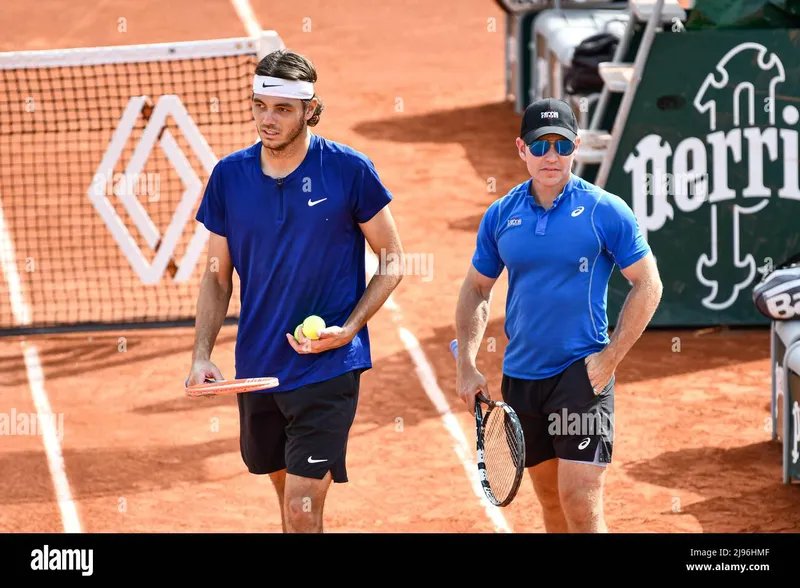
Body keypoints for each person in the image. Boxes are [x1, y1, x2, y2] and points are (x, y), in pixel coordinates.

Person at [187, 49, 404, 533]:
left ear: (309, 109)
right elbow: (217, 275)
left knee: (302, 508)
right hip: (259, 369)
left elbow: (392, 259)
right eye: (260, 105)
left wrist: (348, 330)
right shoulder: (229, 177)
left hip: (327, 366)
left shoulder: (349, 170)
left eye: (282, 109)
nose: (267, 118)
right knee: (288, 501)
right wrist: (201, 355)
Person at [454, 97, 663, 533]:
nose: (551, 155)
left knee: (580, 504)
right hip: (523, 376)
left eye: (562, 146)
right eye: (540, 144)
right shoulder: (501, 215)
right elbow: (476, 287)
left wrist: (609, 359)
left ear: (577, 147)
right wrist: (466, 364)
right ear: (521, 148)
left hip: (581, 374)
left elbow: (648, 283)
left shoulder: (605, 210)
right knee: (550, 501)